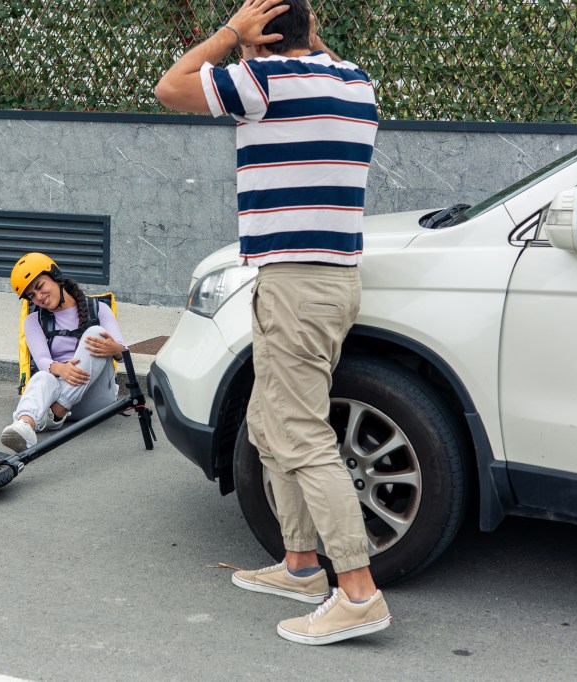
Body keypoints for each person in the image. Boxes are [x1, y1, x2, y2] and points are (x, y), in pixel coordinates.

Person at [155, 0, 390, 645]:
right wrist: (289, 34)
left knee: (302, 434)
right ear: (311, 31)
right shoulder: (357, 82)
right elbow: (319, 52)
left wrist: (232, 32)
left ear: (262, 39)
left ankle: (359, 594)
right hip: (329, 281)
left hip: (295, 286)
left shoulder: (263, 81)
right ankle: (300, 565)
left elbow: (170, 88)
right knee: (268, 420)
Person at [1, 252, 126, 453]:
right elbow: (42, 360)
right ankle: (25, 425)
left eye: (40, 286)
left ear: (55, 277)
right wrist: (61, 369)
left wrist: (116, 349)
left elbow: (123, 353)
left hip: (95, 400)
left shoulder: (99, 309)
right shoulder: (33, 321)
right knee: (42, 376)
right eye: (32, 295)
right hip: (59, 392)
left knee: (95, 333)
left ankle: (56, 411)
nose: (38, 297)